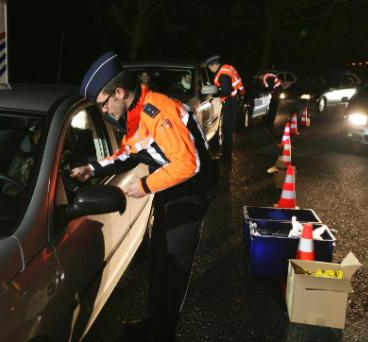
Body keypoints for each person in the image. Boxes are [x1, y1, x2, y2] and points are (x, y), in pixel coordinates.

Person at [71, 51, 218, 341]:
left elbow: (188, 164)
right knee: (159, 263)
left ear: (119, 92)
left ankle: (161, 334)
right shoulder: (136, 113)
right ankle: (154, 326)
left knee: (172, 268)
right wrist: (91, 168)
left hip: (190, 193)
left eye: (103, 103)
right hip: (172, 189)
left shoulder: (158, 111)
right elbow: (128, 153)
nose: (103, 111)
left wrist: (145, 185)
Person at [206, 55, 245, 160]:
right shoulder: (227, 68)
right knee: (228, 128)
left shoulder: (223, 73)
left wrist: (213, 95)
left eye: (210, 67)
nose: (210, 70)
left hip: (230, 102)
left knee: (227, 128)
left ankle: (226, 155)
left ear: (214, 65)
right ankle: (227, 152)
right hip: (235, 99)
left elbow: (226, 91)